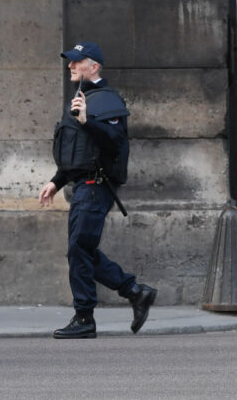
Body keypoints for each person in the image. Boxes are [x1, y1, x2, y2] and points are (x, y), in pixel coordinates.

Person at [38, 42, 156, 339]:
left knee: (79, 249)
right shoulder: (81, 98)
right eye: (70, 62)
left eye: (77, 62)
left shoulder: (105, 99)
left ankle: (85, 317)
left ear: (94, 67)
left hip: (96, 185)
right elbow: (78, 151)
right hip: (83, 184)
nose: (70, 66)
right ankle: (134, 291)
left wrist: (87, 121)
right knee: (82, 249)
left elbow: (113, 141)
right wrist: (57, 181)